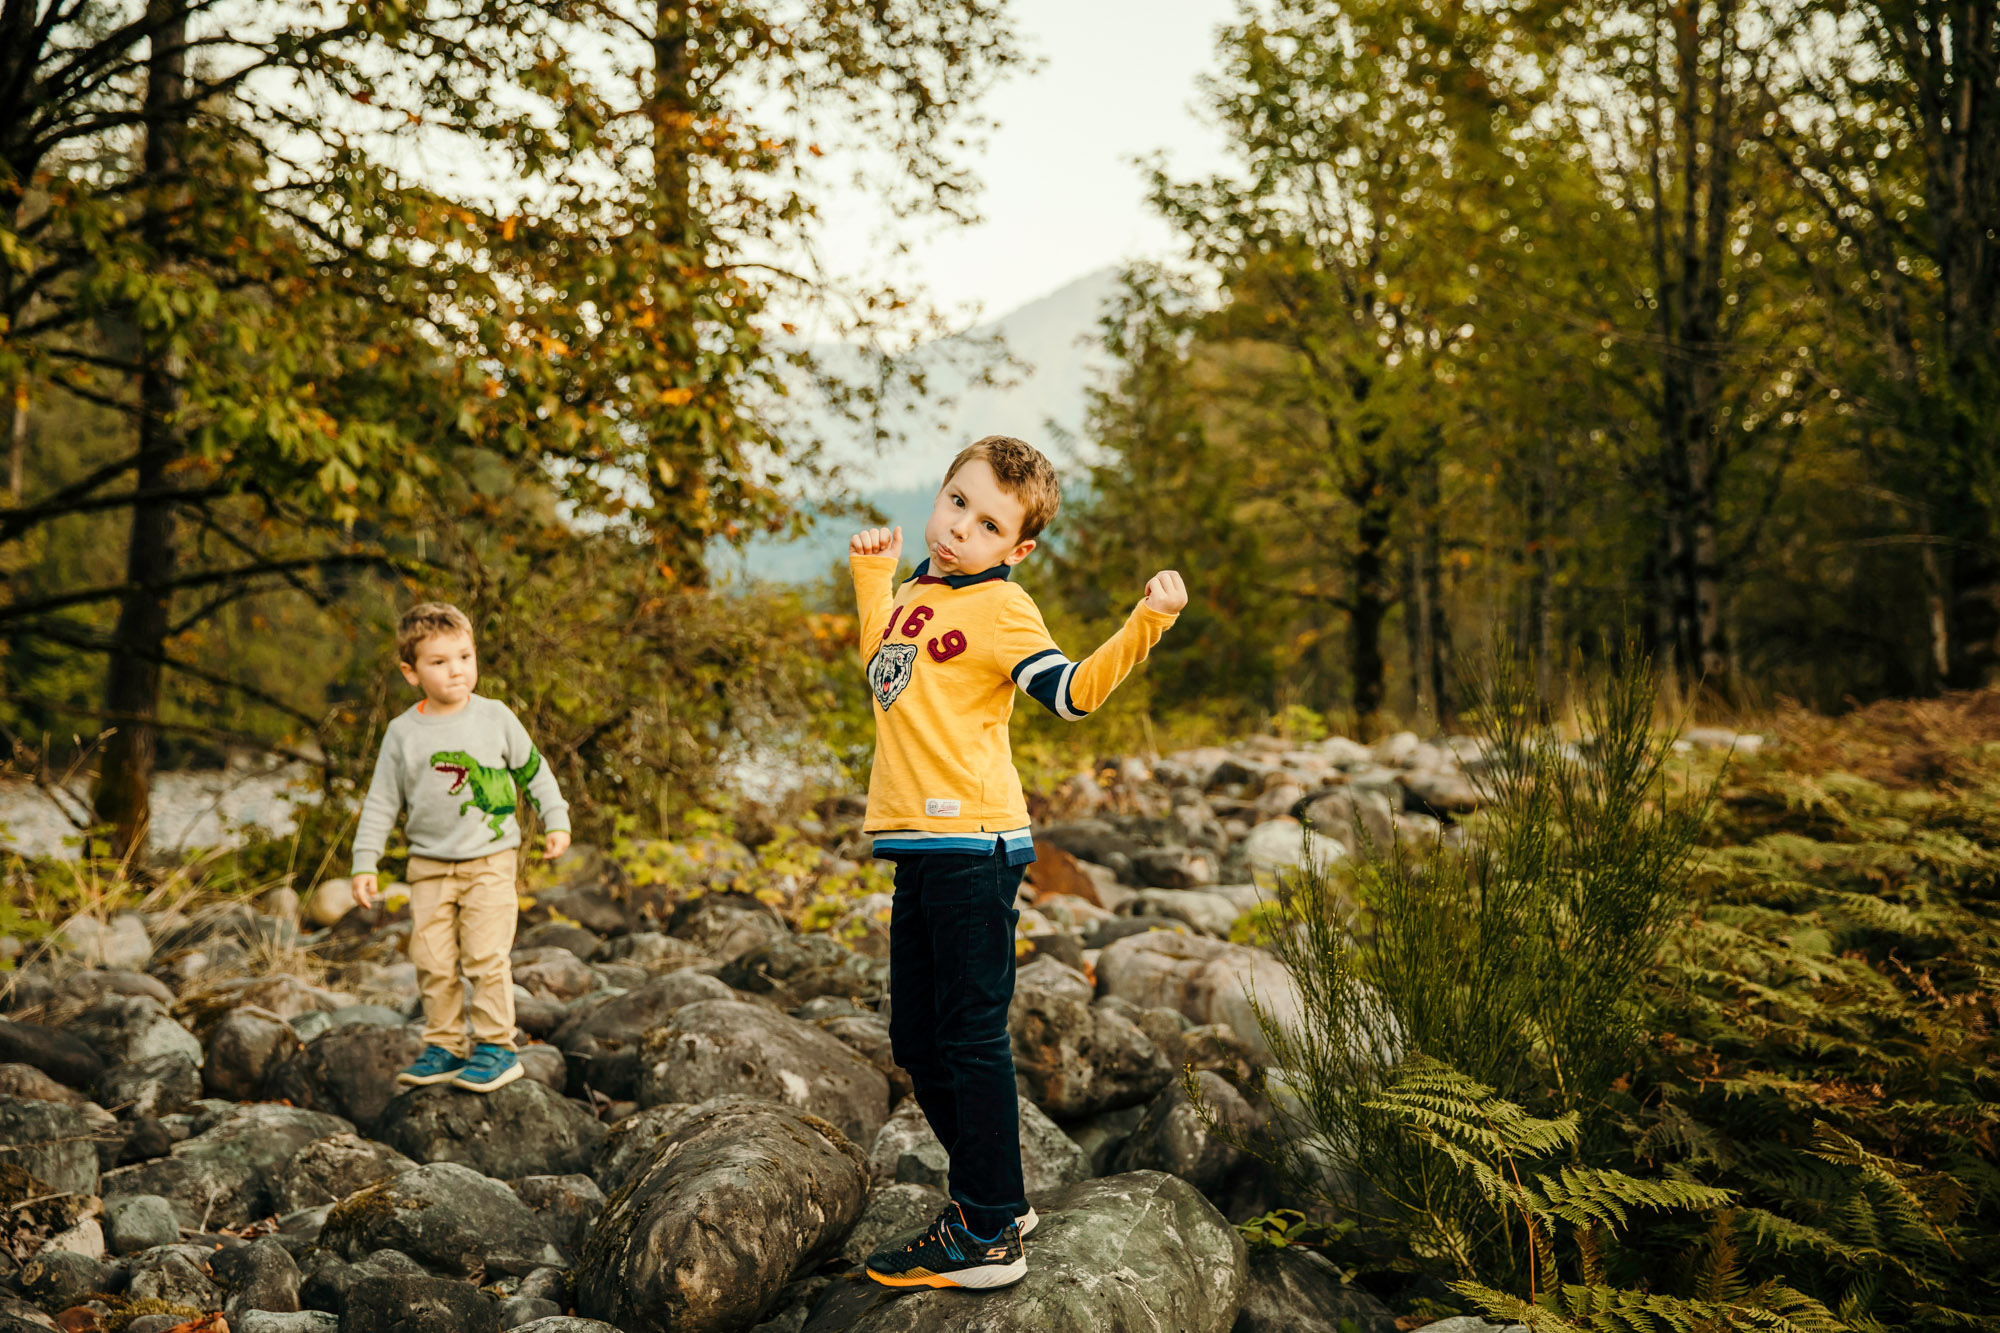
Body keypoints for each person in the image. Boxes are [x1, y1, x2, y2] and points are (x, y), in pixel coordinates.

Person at [849, 435, 1186, 1290]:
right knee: (917, 1041)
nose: (962, 527)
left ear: (1017, 547)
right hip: (921, 851)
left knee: (966, 1037)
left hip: (977, 847)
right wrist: (872, 582)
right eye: (957, 502)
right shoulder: (919, 592)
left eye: (989, 522)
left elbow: (1071, 694)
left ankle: (989, 1231)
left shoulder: (1004, 609)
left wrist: (1145, 623)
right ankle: (997, 1194)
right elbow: (884, 672)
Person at [349, 602, 572, 1093]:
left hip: (489, 859)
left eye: (465, 657)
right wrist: (364, 861)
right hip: (428, 865)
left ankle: (496, 1047)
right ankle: (446, 1045)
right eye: (440, 661)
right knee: (430, 958)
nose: (457, 670)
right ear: (410, 672)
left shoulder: (494, 717)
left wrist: (555, 818)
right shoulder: (402, 733)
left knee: (484, 955)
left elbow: (533, 770)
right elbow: (382, 801)